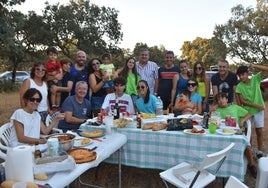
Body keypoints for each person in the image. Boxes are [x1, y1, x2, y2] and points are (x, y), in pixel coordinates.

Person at [213, 92, 257, 178]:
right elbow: (213, 122)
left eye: (222, 98)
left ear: (226, 99)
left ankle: (252, 165)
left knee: (246, 145)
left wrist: (243, 120)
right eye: (218, 100)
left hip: (235, 133)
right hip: (222, 134)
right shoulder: (217, 111)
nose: (220, 101)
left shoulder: (235, 107)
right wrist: (212, 110)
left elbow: (251, 113)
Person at [236, 64, 268, 158]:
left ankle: (260, 152)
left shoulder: (255, 79)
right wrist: (257, 105)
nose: (241, 77)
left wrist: (252, 65)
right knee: (248, 132)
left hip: (258, 111)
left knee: (259, 131)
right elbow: (243, 101)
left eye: (243, 74)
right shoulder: (239, 86)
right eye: (239, 75)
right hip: (247, 112)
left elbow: (266, 69)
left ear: (247, 73)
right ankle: (249, 151)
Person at [45, 46, 63, 111]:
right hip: (51, 80)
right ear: (48, 55)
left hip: (58, 79)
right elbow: (46, 73)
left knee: (59, 93)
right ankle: (53, 105)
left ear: (57, 56)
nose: (53, 56)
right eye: (51, 55)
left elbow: (61, 71)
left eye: (55, 55)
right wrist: (52, 75)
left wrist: (58, 76)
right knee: (53, 92)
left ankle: (58, 105)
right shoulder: (47, 64)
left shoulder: (58, 63)